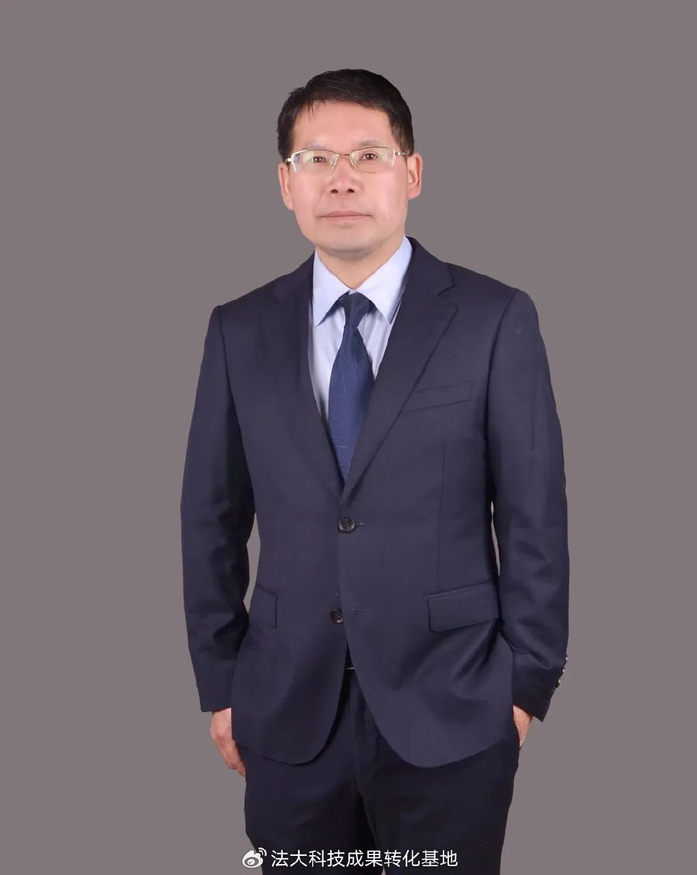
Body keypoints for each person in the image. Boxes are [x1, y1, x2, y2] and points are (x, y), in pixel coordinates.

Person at [180, 68, 569, 874]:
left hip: (455, 709)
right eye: (316, 159)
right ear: (285, 184)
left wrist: (525, 685)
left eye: (368, 154)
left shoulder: (493, 318)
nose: (342, 178)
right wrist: (221, 682)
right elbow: (210, 518)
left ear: (412, 172)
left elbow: (534, 513)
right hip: (286, 710)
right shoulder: (238, 330)